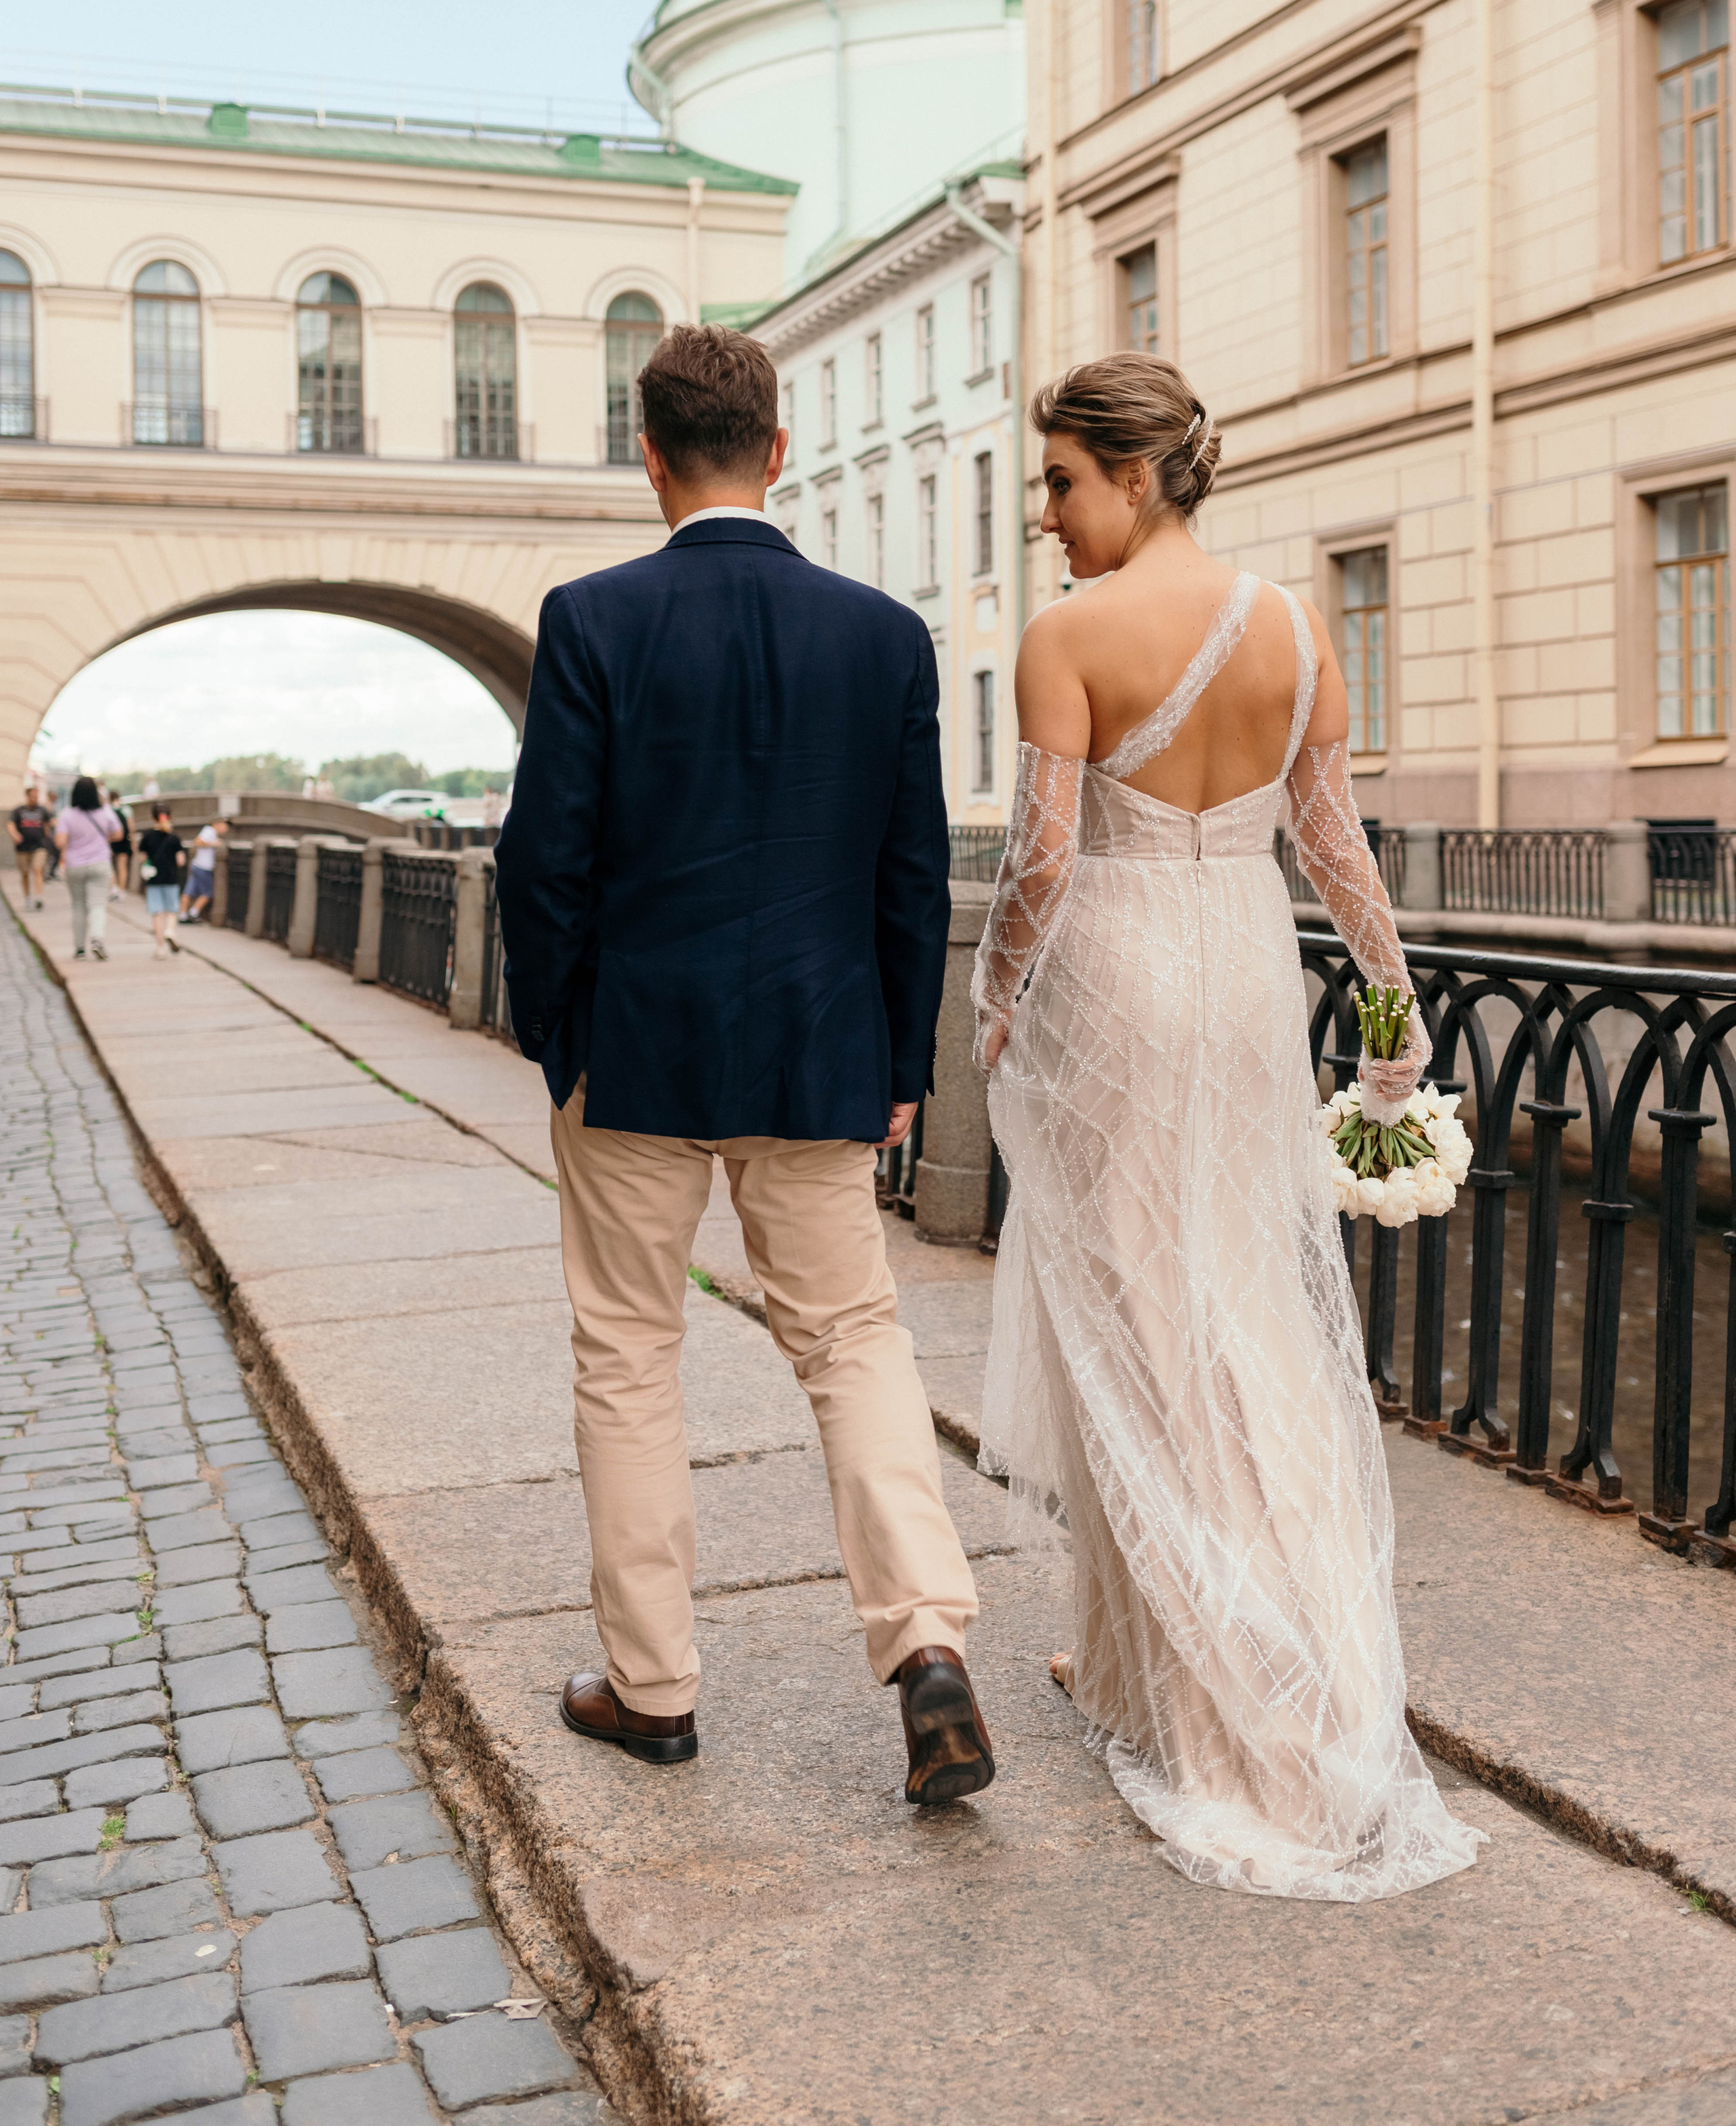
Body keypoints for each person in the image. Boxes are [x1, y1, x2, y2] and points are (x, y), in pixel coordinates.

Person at [972, 353, 1484, 1902]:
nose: (1047, 515)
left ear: (1134, 477)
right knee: (1245, 1310)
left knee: (1137, 1323)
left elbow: (1043, 862)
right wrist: (1388, 1026)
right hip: (1247, 977)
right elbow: (1335, 850)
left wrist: (990, 1000)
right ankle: (1163, 1662)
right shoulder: (1289, 622)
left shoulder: (1065, 633)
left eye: (1061, 481)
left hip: (1118, 982)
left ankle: (1218, 1707)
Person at [496, 323, 988, 1804]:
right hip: (819, 1049)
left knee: (628, 1355)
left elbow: (543, 865)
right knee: (851, 1341)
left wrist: (557, 1039)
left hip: (633, 1052)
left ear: (647, 457)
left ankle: (649, 1689)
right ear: (779, 452)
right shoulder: (882, 635)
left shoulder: (590, 619)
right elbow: (911, 878)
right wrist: (895, 1058)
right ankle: (925, 1647)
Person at [55, 776, 122, 960]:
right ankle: (97, 939)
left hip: (75, 865)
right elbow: (119, 833)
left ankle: (79, 949)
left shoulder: (67, 814)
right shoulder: (106, 812)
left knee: (78, 906)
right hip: (100, 863)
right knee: (98, 904)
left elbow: (60, 841)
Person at [136, 806, 186, 959]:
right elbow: (181, 861)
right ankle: (170, 931)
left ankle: (160, 948)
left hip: (154, 880)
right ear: (170, 816)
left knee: (157, 914)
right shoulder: (174, 837)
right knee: (171, 911)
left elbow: (142, 858)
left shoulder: (147, 837)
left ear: (152, 817)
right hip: (171, 879)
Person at [8, 787, 51, 909]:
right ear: (27, 796)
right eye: (33, 796)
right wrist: (15, 835)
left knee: (38, 869)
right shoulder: (19, 810)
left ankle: (39, 896)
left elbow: (48, 824)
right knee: (25, 874)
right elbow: (10, 824)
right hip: (23, 847)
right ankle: (28, 898)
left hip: (39, 845)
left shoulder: (43, 810)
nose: (35, 798)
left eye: (37, 796)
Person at [178, 816, 226, 922]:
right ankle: (193, 913)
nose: (225, 828)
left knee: (189, 891)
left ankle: (183, 915)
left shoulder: (210, 832)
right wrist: (214, 844)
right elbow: (198, 842)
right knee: (207, 892)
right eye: (224, 825)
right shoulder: (209, 831)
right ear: (216, 824)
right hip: (204, 867)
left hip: (197, 865)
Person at [104, 789, 133, 897]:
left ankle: (114, 887)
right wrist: (132, 841)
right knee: (122, 866)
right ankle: (122, 890)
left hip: (111, 840)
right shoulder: (126, 809)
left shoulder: (107, 810)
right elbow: (131, 827)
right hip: (124, 840)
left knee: (111, 866)